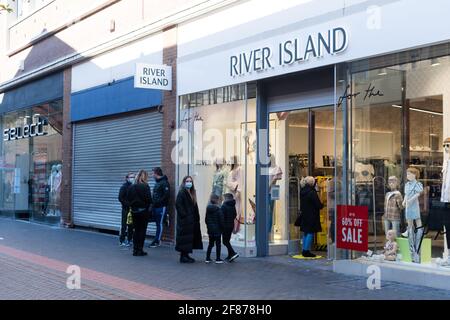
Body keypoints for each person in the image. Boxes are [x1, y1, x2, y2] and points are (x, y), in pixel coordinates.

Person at [175, 176, 203, 263]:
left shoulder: (192, 192)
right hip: (185, 221)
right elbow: (178, 205)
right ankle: (183, 256)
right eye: (187, 181)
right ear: (184, 182)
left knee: (188, 239)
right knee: (184, 238)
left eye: (190, 181)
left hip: (191, 220)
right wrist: (185, 216)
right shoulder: (182, 192)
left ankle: (186, 255)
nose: (189, 183)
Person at [127, 170, 152, 257]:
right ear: (145, 177)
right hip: (143, 211)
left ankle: (135, 250)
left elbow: (128, 198)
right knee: (142, 231)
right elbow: (149, 199)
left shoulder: (131, 187)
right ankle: (140, 250)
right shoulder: (145, 186)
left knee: (136, 231)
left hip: (134, 211)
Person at [299, 176, 324, 258]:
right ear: (312, 183)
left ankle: (304, 249)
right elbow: (318, 204)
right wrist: (322, 204)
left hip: (305, 214)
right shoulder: (312, 192)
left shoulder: (302, 191)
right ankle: (306, 251)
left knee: (306, 232)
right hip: (312, 215)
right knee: (310, 232)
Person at [150, 167, 170, 248]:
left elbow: (166, 196)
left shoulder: (164, 183)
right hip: (155, 207)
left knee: (159, 224)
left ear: (156, 173)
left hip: (161, 207)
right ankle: (157, 239)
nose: (152, 175)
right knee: (157, 223)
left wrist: (158, 203)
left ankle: (157, 241)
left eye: (152, 173)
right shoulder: (157, 182)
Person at [205, 194, 225, 264]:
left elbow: (206, 220)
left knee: (210, 244)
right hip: (217, 230)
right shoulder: (218, 210)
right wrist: (222, 229)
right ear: (217, 200)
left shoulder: (208, 209)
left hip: (210, 230)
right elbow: (221, 221)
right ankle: (218, 259)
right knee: (218, 244)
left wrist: (209, 227)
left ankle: (207, 258)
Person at [221, 193, 239, 262]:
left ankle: (233, 253)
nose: (224, 199)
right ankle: (230, 255)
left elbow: (221, 216)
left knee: (225, 241)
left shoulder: (224, 206)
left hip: (225, 226)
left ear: (227, 198)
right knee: (227, 241)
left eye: (224, 198)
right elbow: (235, 215)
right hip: (231, 225)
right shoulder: (232, 205)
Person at [118, 172, 135, 246]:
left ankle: (129, 240)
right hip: (125, 209)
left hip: (132, 209)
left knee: (131, 225)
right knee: (124, 225)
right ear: (127, 178)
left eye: (133, 177)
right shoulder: (124, 187)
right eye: (131, 177)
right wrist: (127, 204)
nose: (132, 178)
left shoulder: (134, 186)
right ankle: (122, 240)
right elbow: (120, 198)